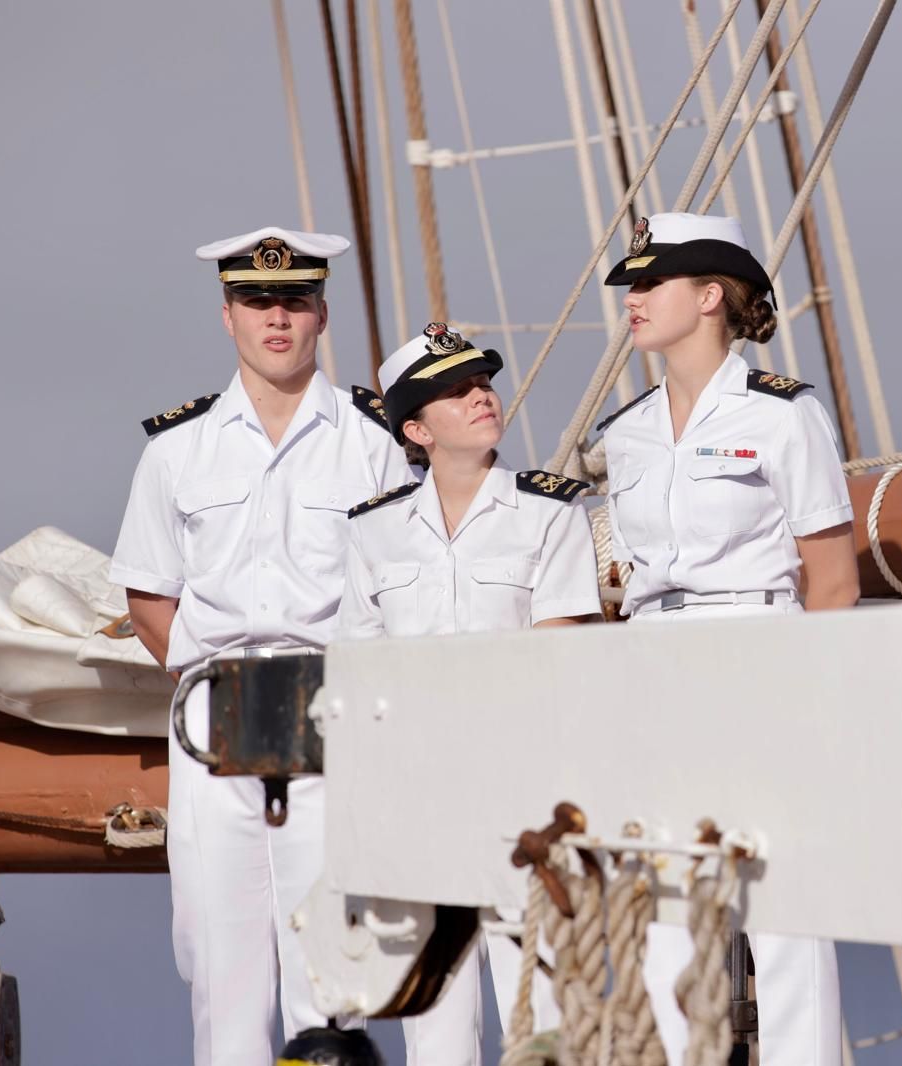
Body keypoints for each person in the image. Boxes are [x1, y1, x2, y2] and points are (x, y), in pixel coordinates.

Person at [109, 227, 413, 1064]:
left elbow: (408, 579)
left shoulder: (377, 440)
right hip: (219, 707)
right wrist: (212, 681)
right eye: (255, 302)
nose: (275, 319)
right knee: (221, 958)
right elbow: (148, 595)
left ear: (320, 312)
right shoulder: (177, 449)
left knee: (335, 948)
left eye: (292, 301)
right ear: (227, 317)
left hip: (337, 698)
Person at [597, 211, 859, 1065]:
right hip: (651, 665)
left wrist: (812, 703)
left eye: (651, 284)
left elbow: (832, 577)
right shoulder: (625, 434)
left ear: (710, 296)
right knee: (664, 904)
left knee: (780, 912)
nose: (632, 300)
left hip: (759, 652)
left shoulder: (785, 415)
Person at [334, 322, 601, 1066]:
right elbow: (361, 674)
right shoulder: (373, 533)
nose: (481, 395)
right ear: (415, 428)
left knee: (543, 1002)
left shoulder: (552, 511)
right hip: (417, 791)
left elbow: (563, 659)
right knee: (436, 1019)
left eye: (482, 381)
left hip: (528, 785)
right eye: (455, 391)